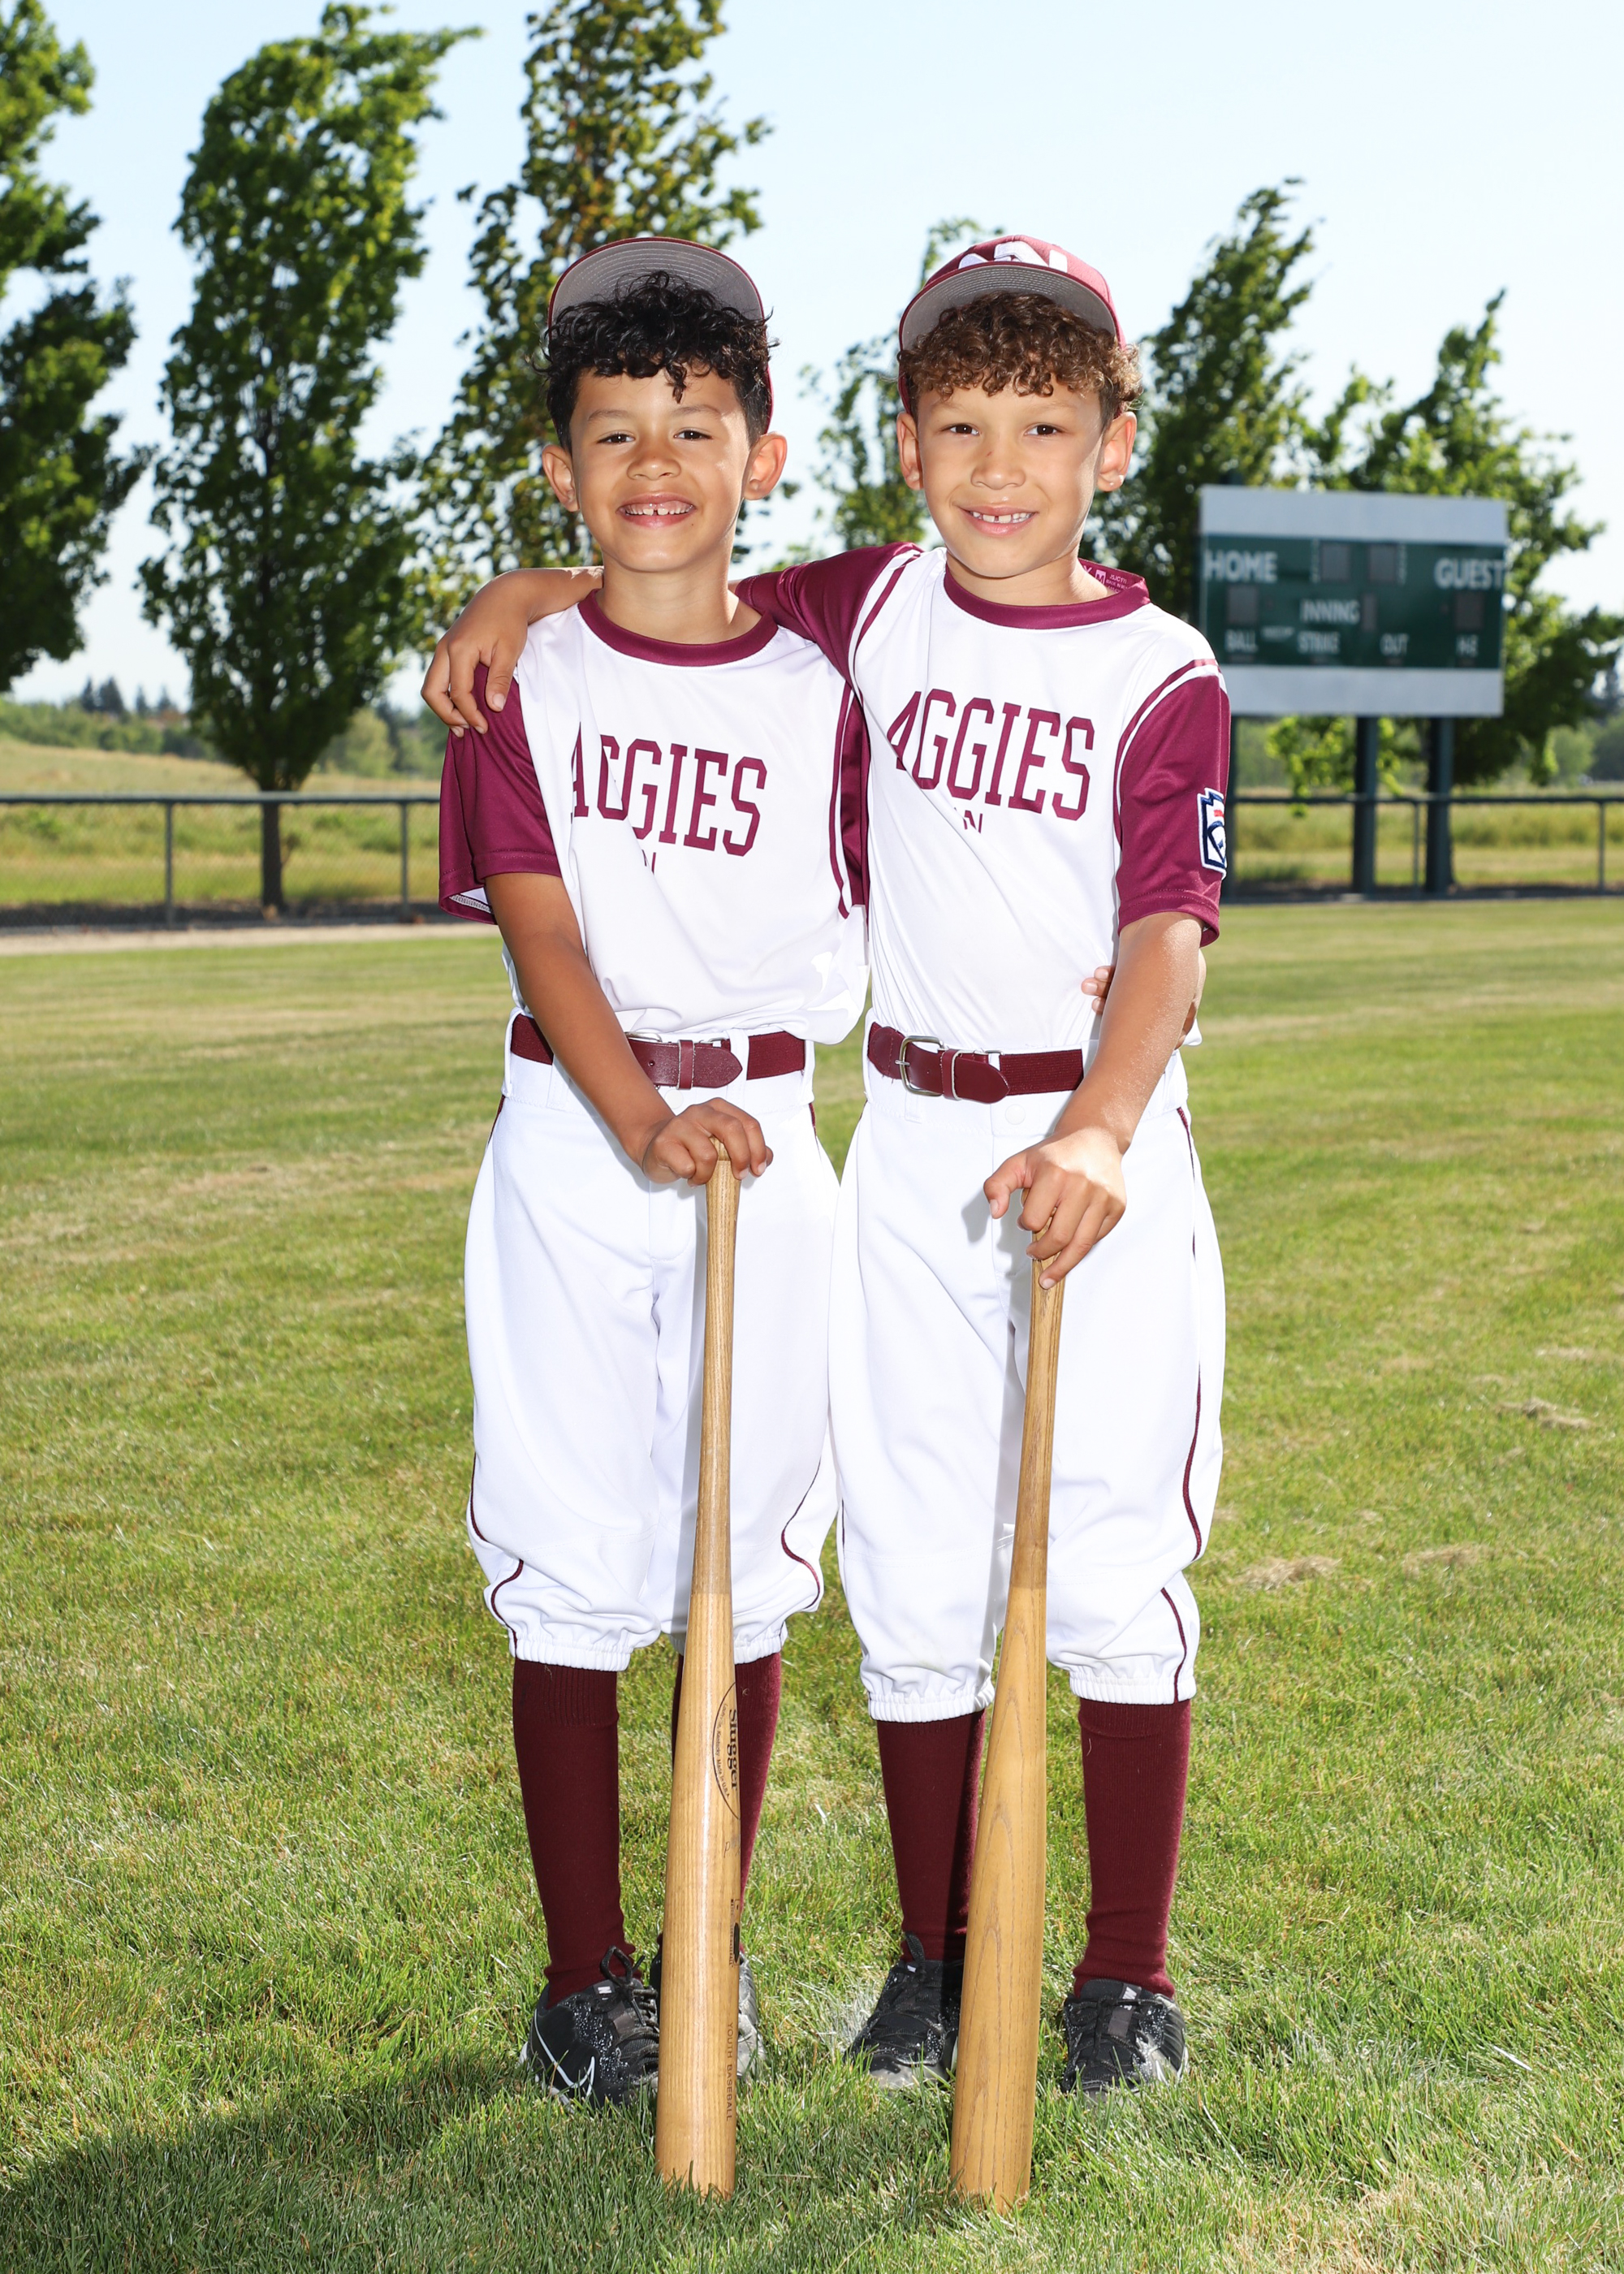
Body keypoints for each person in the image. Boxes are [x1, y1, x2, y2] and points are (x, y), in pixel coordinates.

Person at [425, 235, 1227, 2101]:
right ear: (902, 442)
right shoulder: (867, 607)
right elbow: (655, 565)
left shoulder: (1157, 666)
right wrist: (519, 585)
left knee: (1109, 1553)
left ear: (1114, 440)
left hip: (1084, 1135)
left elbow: (1167, 930)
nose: (1000, 463)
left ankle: (1123, 1974)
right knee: (916, 1561)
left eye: (1046, 422)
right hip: (912, 1136)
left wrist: (1103, 1118)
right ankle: (931, 1965)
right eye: (960, 422)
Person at [436, 238, 866, 2105]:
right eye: (611, 434)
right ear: (559, 468)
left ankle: (708, 1940)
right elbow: (542, 933)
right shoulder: (515, 684)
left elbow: (1029, 589)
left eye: (696, 427)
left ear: (764, 453)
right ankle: (579, 1977)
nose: (655, 464)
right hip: (577, 1135)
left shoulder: (835, 663)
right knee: (566, 1553)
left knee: (743, 1562)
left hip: (768, 1134)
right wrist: (636, 1121)